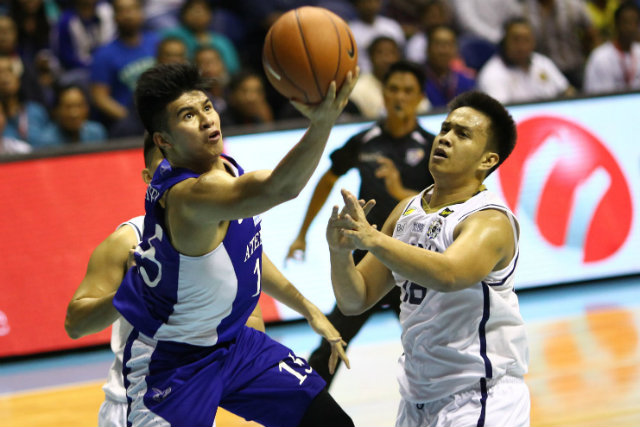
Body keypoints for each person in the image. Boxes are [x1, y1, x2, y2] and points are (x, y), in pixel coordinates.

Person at [111, 62, 358, 427]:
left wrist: (308, 308)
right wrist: (321, 123)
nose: (207, 119)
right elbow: (280, 188)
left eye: (207, 107)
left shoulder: (221, 166)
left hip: (233, 345)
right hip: (174, 366)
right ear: (163, 141)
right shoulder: (189, 195)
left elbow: (246, 251)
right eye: (188, 116)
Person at [326, 90, 530, 426]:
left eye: (462, 134)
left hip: (479, 397)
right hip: (417, 398)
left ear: (487, 160)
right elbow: (355, 299)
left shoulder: (489, 220)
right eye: (446, 128)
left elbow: (449, 274)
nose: (446, 139)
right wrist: (340, 254)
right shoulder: (406, 211)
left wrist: (374, 239)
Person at [64, 138, 265, 427]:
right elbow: (75, 324)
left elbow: (251, 322)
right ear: (149, 177)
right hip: (134, 404)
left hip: (191, 400)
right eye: (168, 161)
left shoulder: (226, 237)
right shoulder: (129, 239)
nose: (180, 172)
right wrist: (131, 292)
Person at [286, 60, 435, 387]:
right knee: (334, 335)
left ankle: (442, 399)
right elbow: (327, 180)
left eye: (408, 91)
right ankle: (309, 403)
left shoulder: (432, 147)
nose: (399, 96)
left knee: (427, 339)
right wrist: (301, 234)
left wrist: (398, 191)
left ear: (420, 97)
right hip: (364, 259)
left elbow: (442, 206)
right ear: (383, 93)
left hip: (408, 257)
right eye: (393, 88)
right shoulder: (365, 139)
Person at [89, 0, 158, 138]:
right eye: (122, 11)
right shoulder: (104, 54)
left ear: (141, 13)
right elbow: (100, 97)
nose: (128, 15)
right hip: (129, 120)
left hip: (159, 112)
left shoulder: (157, 42)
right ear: (114, 17)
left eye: (133, 9)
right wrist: (131, 118)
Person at [477, 17, 575, 104]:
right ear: (504, 42)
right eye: (516, 40)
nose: (522, 46)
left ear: (533, 42)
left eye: (526, 40)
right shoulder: (492, 74)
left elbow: (567, 91)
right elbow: (499, 114)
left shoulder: (542, 62)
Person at [584, 1, 640, 93]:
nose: (631, 28)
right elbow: (594, 95)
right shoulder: (600, 57)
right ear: (616, 24)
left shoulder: (638, 51)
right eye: (626, 22)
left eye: (635, 23)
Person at [423, 24, 476, 109]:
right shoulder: (418, 81)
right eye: (438, 44)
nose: (444, 51)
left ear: (456, 49)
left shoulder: (466, 82)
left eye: (449, 44)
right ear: (428, 48)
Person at [38, 84, 108, 147]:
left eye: (79, 106)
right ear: (56, 110)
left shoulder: (97, 133)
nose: (74, 113)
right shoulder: (47, 142)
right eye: (68, 107)